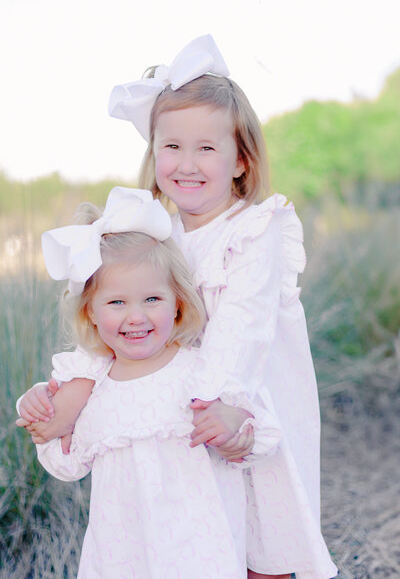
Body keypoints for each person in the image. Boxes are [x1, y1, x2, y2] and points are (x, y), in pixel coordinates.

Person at [18, 36, 338, 578]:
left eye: (207, 149)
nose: (186, 164)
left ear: (241, 160)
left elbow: (245, 326)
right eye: (172, 147)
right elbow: (119, 327)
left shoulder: (255, 229)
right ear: (153, 153)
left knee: (267, 529)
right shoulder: (156, 237)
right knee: (211, 527)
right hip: (183, 413)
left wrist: (228, 402)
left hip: (250, 394)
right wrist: (66, 394)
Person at [22, 186, 281, 579]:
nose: (136, 317)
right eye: (116, 303)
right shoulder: (92, 389)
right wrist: (39, 404)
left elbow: (257, 431)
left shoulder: (201, 372)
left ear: (178, 301)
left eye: (152, 300)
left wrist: (235, 434)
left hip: (198, 547)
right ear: (90, 312)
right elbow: (66, 463)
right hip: (123, 555)